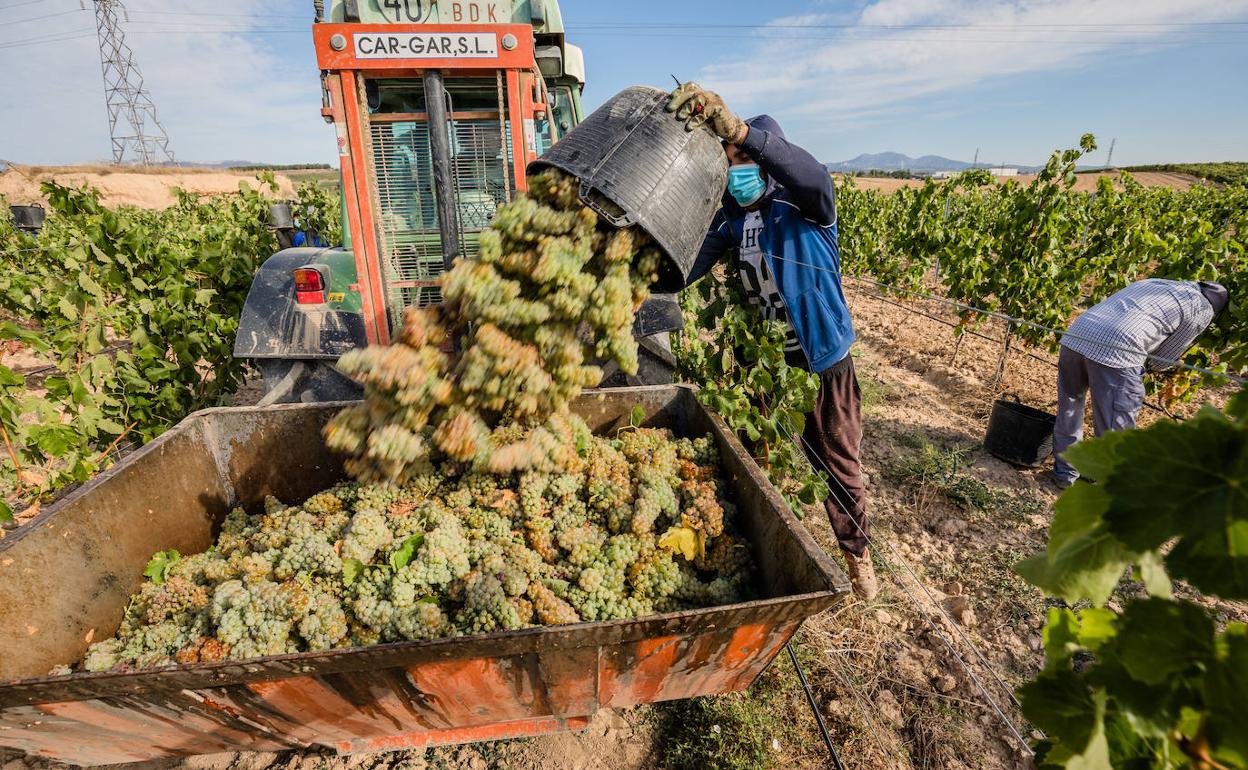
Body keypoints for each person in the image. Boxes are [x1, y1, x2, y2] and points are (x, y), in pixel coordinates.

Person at [667, 83, 877, 601]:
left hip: (823, 361)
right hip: (767, 369)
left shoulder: (806, 205)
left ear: (764, 160)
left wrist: (740, 131)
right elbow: (684, 269)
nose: (734, 169)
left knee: (838, 464)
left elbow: (810, 173)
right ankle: (761, 548)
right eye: (728, 159)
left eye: (741, 157)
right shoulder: (733, 221)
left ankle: (858, 558)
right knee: (753, 453)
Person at [1052, 278, 1229, 488]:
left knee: (1070, 407)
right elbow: (1162, 358)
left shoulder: (1158, 283)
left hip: (1077, 335)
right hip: (1117, 350)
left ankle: (1065, 474)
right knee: (1116, 426)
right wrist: (1152, 368)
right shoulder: (1202, 308)